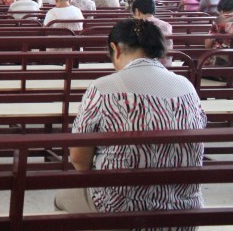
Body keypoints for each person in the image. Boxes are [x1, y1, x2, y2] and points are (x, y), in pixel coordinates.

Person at [54, 19, 206, 216]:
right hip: (185, 210)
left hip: (120, 208)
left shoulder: (103, 88)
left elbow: (78, 158)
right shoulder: (186, 86)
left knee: (62, 197)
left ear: (115, 49)